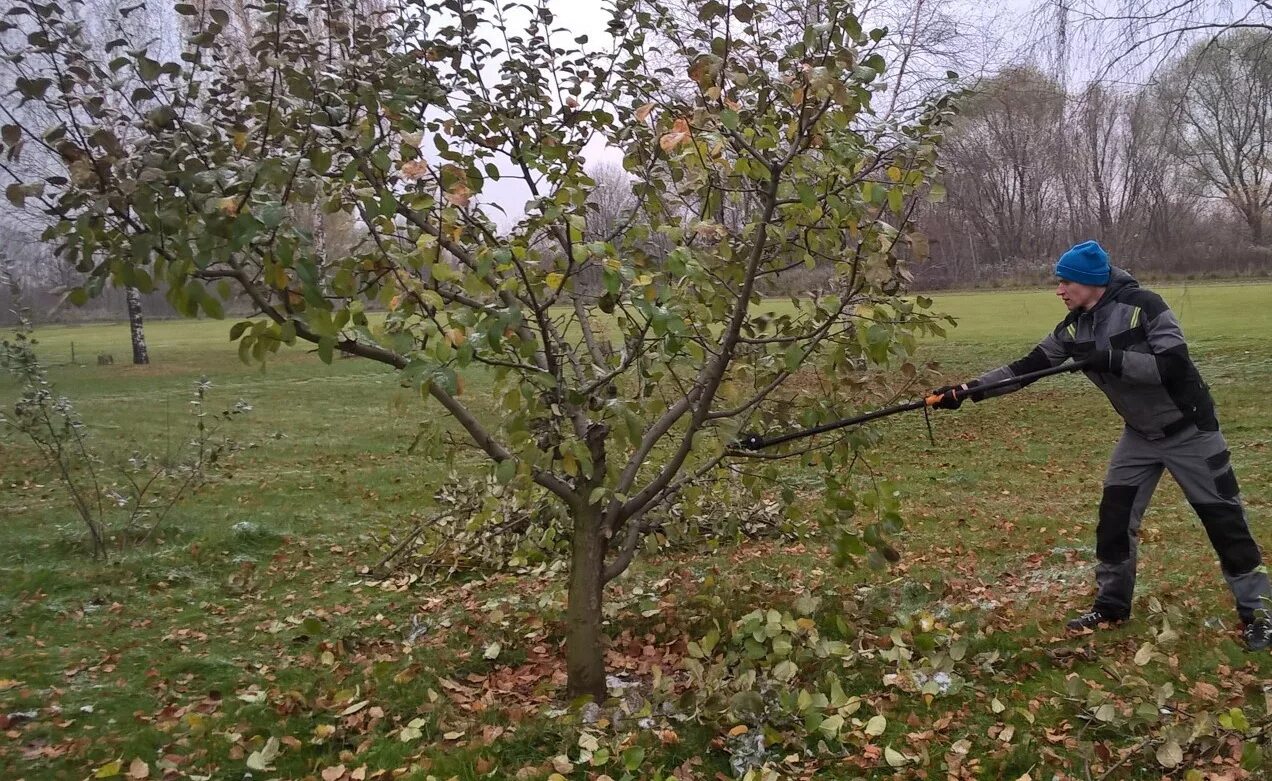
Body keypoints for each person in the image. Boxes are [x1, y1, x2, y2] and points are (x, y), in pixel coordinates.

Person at [931, 240, 1271, 651]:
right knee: (1114, 519)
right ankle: (1111, 607)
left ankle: (1259, 613)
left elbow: (1173, 366)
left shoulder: (1145, 306)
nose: (1059, 290)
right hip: (1139, 436)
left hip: (1190, 430)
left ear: (1091, 282)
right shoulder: (1075, 327)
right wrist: (966, 391)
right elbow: (1026, 368)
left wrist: (1111, 359)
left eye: (1066, 281)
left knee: (1224, 521)